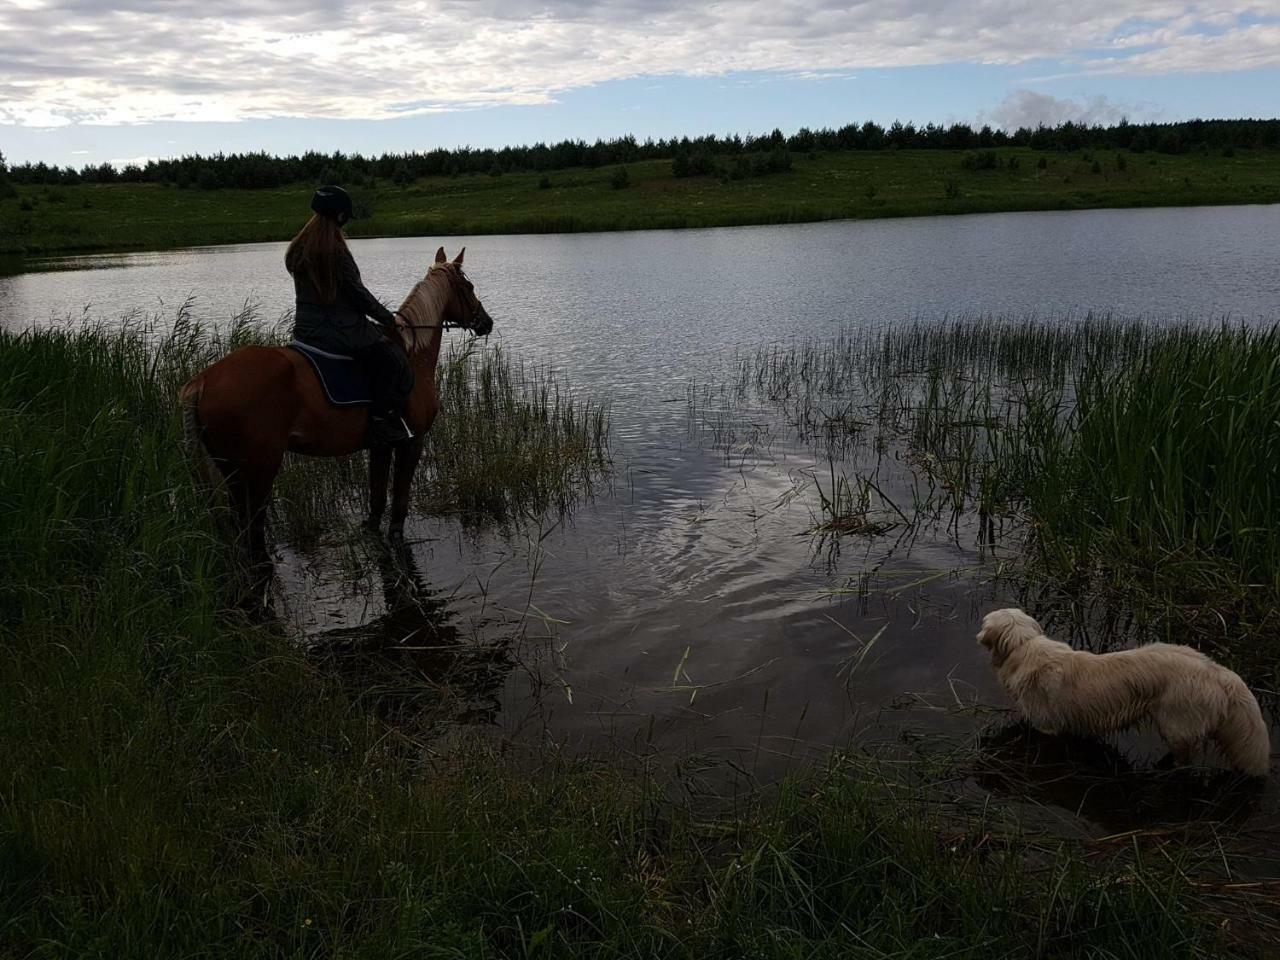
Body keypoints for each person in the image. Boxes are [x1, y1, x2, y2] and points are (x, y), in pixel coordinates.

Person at [287, 185, 413, 446]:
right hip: (339, 333)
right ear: (341, 217)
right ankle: (381, 421)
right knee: (392, 360)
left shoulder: (298, 249)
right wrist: (390, 319)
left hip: (305, 333)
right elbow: (359, 295)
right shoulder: (336, 252)